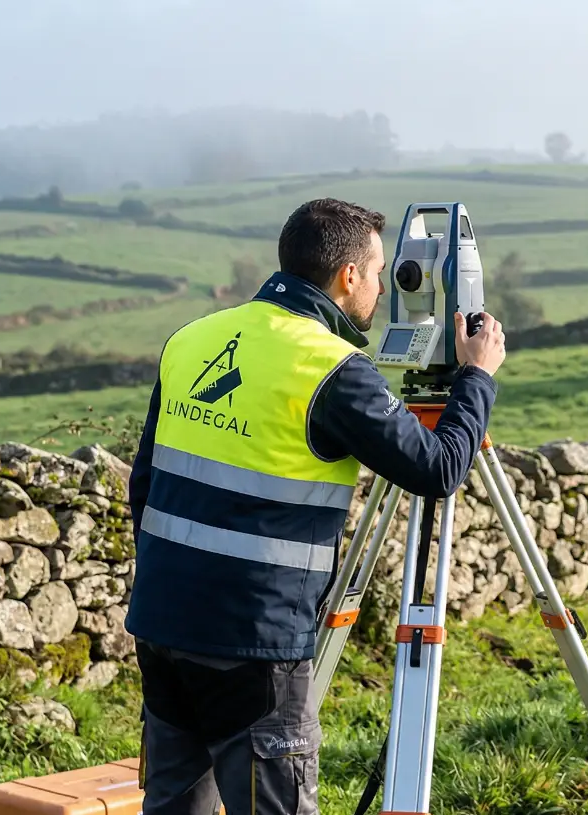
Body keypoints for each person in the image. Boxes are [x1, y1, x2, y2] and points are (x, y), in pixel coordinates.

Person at [123, 197, 507, 814]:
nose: (385, 288)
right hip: (254, 640)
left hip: (163, 621)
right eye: (380, 272)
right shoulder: (332, 368)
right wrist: (477, 378)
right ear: (347, 275)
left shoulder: (192, 339)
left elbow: (144, 483)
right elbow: (437, 470)